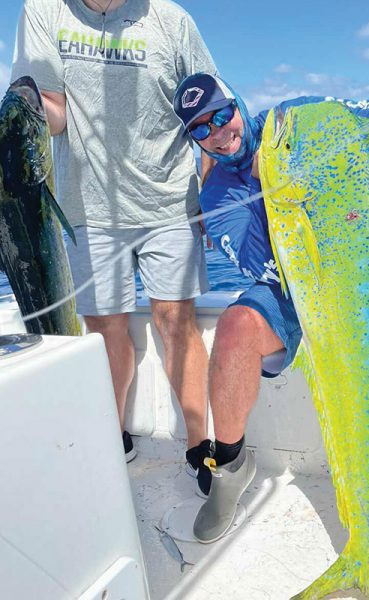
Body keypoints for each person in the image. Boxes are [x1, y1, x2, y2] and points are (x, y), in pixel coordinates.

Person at [172, 73, 369, 575]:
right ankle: (230, 468)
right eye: (200, 128)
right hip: (297, 283)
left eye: (221, 113)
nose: (218, 130)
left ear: (237, 103)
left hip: (368, 265)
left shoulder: (293, 119)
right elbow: (269, 267)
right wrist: (275, 193)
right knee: (234, 328)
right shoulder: (216, 196)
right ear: (195, 140)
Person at [12, 0, 216, 493]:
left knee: (176, 320)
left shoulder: (172, 20)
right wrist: (28, 113)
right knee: (104, 328)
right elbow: (53, 110)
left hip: (168, 200)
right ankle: (113, 432)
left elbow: (208, 107)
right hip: (86, 206)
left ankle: (198, 445)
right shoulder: (42, 10)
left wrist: (209, 191)